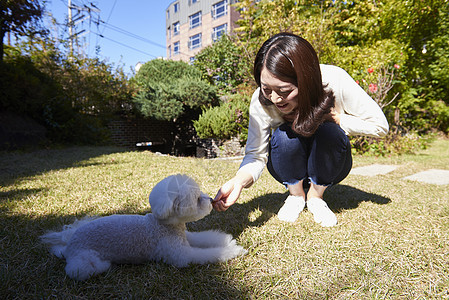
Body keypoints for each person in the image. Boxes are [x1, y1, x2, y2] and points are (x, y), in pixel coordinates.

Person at [212, 32, 389, 227]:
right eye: (266, 89)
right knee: (285, 135)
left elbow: (380, 125)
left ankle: (315, 196)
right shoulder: (261, 100)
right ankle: (296, 195)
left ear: (306, 80)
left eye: (285, 91)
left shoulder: (334, 79)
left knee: (329, 131)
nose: (275, 98)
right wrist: (238, 182)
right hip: (286, 166)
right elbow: (255, 156)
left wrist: (338, 119)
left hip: (331, 164)